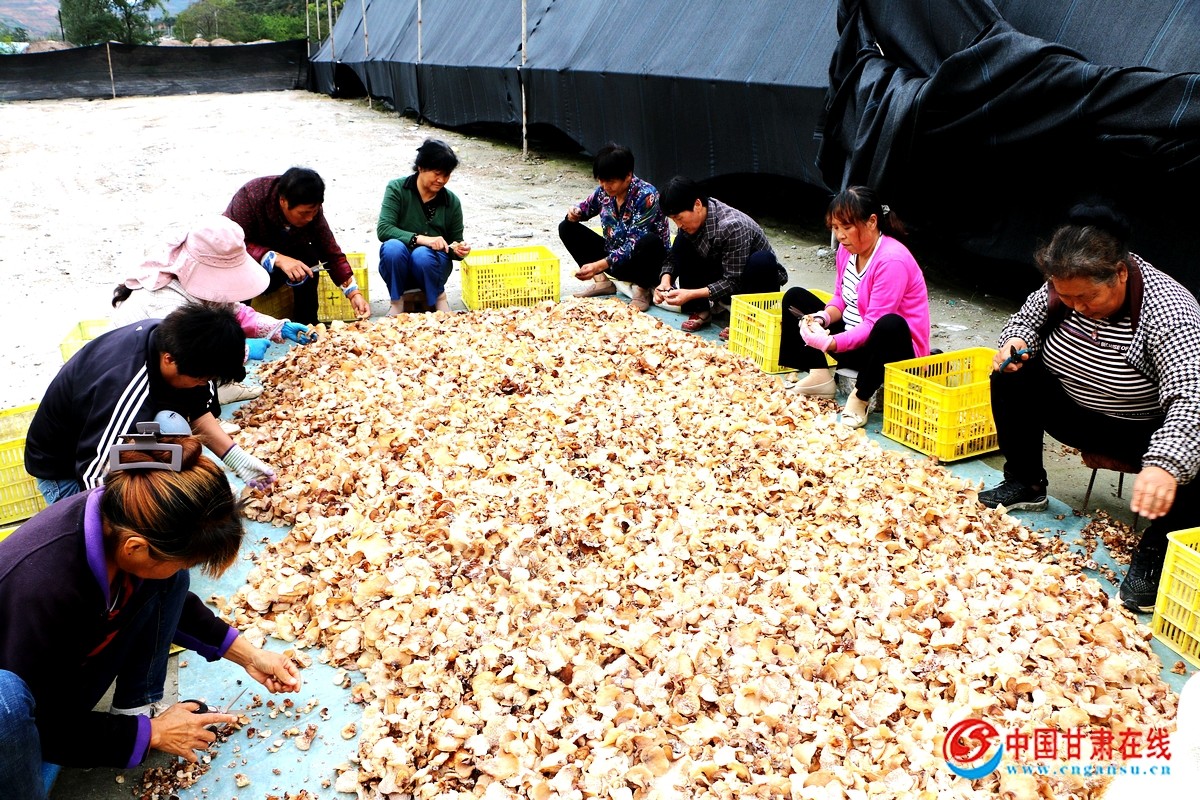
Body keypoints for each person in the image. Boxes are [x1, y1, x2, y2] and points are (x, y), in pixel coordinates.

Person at [0, 429, 301, 798]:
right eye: (182, 561)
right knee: (5, 706)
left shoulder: (125, 516)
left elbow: (173, 598)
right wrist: (153, 735)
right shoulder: (46, 589)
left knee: (167, 580)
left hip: (56, 685)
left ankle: (133, 712)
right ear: (135, 548)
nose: (182, 569)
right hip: (20, 726)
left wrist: (250, 656)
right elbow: (45, 726)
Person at [978, 204, 1200, 612]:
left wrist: (1165, 464)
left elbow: (1190, 397)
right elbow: (1024, 321)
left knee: (1194, 447)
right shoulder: (1061, 289)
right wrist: (1015, 342)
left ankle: (1157, 549)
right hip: (1076, 411)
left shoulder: (1169, 313)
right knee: (1009, 373)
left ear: (1120, 273)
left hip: (1142, 431)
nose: (1077, 306)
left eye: (1087, 298)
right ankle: (1025, 482)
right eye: (1067, 297)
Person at [24, 304, 276, 502]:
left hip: (109, 448)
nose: (205, 384)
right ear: (169, 360)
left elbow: (198, 411)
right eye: (201, 379)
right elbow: (94, 478)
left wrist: (238, 460)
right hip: (68, 474)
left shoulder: (181, 345)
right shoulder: (126, 387)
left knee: (172, 426)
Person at [111, 216, 318, 406]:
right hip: (136, 378)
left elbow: (232, 312)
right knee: (171, 420)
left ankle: (216, 389)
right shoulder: (165, 301)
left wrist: (278, 328)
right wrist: (240, 350)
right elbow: (190, 352)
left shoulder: (196, 285)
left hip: (181, 363)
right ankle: (205, 398)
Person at [777, 186, 931, 428]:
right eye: (835, 227)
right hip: (855, 340)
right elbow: (840, 297)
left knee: (890, 325)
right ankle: (818, 375)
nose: (840, 235)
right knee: (794, 298)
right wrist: (821, 319)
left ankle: (860, 397)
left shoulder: (892, 261)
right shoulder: (846, 251)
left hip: (889, 353)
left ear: (872, 222)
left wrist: (830, 342)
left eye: (847, 227)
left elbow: (872, 324)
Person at [224, 167, 370, 325]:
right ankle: (236, 327)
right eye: (303, 213)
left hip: (285, 256)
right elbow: (232, 243)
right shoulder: (250, 197)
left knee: (309, 258)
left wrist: (353, 293)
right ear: (283, 202)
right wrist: (275, 258)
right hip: (247, 262)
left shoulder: (311, 211)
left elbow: (330, 251)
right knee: (239, 281)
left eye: (314, 211)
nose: (310, 218)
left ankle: (307, 324)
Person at [654, 176, 787, 334]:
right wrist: (665, 282)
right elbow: (674, 256)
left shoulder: (732, 226)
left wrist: (690, 294)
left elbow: (733, 280)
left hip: (749, 280)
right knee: (682, 241)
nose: (678, 224)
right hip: (721, 270)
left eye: (679, 218)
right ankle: (701, 310)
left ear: (697, 205)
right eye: (673, 220)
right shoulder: (692, 222)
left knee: (762, 261)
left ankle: (749, 320)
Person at [559, 143, 668, 311]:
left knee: (649, 241)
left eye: (610, 181)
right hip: (614, 261)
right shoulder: (604, 191)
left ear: (628, 176)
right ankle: (602, 282)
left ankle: (642, 290)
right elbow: (585, 208)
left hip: (646, 265)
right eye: (601, 180)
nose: (604, 186)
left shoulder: (647, 195)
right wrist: (574, 213)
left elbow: (633, 244)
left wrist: (597, 265)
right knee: (567, 227)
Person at [376, 139, 471, 314]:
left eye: (446, 175)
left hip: (433, 267)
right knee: (392, 248)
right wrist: (423, 239)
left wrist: (459, 250)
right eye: (437, 173)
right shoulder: (397, 189)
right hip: (400, 267)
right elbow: (384, 229)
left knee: (422, 255)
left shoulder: (451, 201)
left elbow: (454, 242)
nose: (441, 180)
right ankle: (397, 301)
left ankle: (439, 298)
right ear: (420, 168)